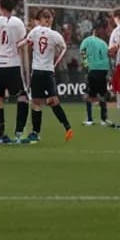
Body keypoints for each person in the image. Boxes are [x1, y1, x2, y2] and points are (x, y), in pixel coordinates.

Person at [19, 8, 74, 144]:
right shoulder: (55, 35)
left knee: (37, 103)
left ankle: (35, 133)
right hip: (48, 71)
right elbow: (64, 48)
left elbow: (25, 42)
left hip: (37, 71)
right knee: (52, 101)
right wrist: (55, 62)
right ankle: (67, 127)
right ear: (51, 20)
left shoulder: (35, 31)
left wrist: (15, 47)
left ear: (41, 20)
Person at [0, 0, 30, 144]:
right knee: (22, 96)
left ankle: (0, 133)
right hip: (13, 64)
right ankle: (19, 132)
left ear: (0, 7)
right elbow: (22, 43)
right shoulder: (17, 22)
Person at [79, 19, 113, 126]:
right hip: (102, 70)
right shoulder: (103, 43)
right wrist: (109, 74)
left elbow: (82, 51)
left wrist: (85, 64)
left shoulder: (87, 40)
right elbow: (108, 58)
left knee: (88, 95)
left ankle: (90, 119)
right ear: (97, 30)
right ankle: (103, 119)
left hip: (93, 70)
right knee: (102, 94)